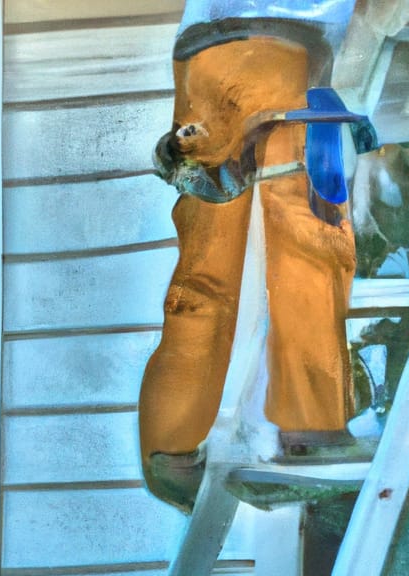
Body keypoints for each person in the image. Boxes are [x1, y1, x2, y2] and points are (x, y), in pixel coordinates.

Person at [138, 0, 362, 512]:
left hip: (207, 56)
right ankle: (311, 430)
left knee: (206, 268)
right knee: (309, 245)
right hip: (288, 45)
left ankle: (168, 449)